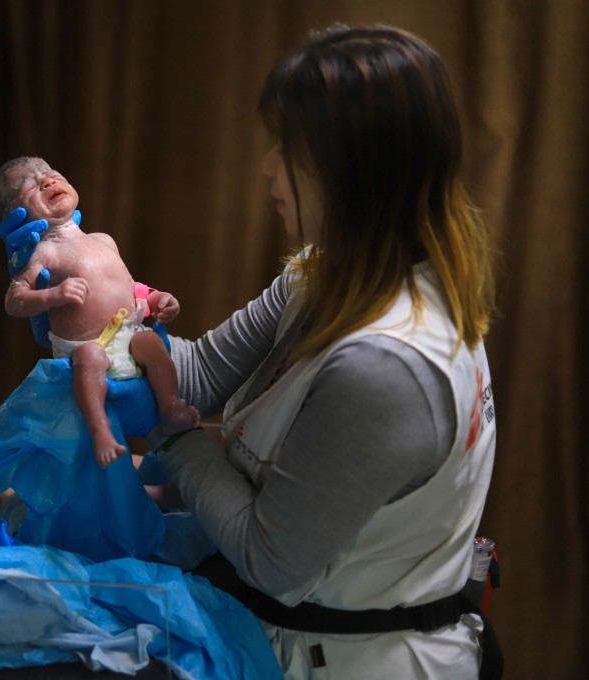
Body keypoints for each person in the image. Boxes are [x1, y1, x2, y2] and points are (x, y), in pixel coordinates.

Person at [136, 24, 498, 679]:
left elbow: (272, 559)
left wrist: (173, 442)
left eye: (290, 149)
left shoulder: (386, 369)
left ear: (358, 169)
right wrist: (95, 315)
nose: (268, 166)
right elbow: (195, 376)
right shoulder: (325, 272)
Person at [0, 156, 200, 468]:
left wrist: (155, 299)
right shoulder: (43, 252)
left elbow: (127, 285)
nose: (47, 181)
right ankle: (100, 432)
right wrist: (50, 295)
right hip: (87, 347)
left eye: (51, 173)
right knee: (90, 360)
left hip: (127, 337)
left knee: (151, 344)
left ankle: (169, 409)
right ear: (16, 217)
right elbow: (14, 299)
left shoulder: (103, 240)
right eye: (27, 185)